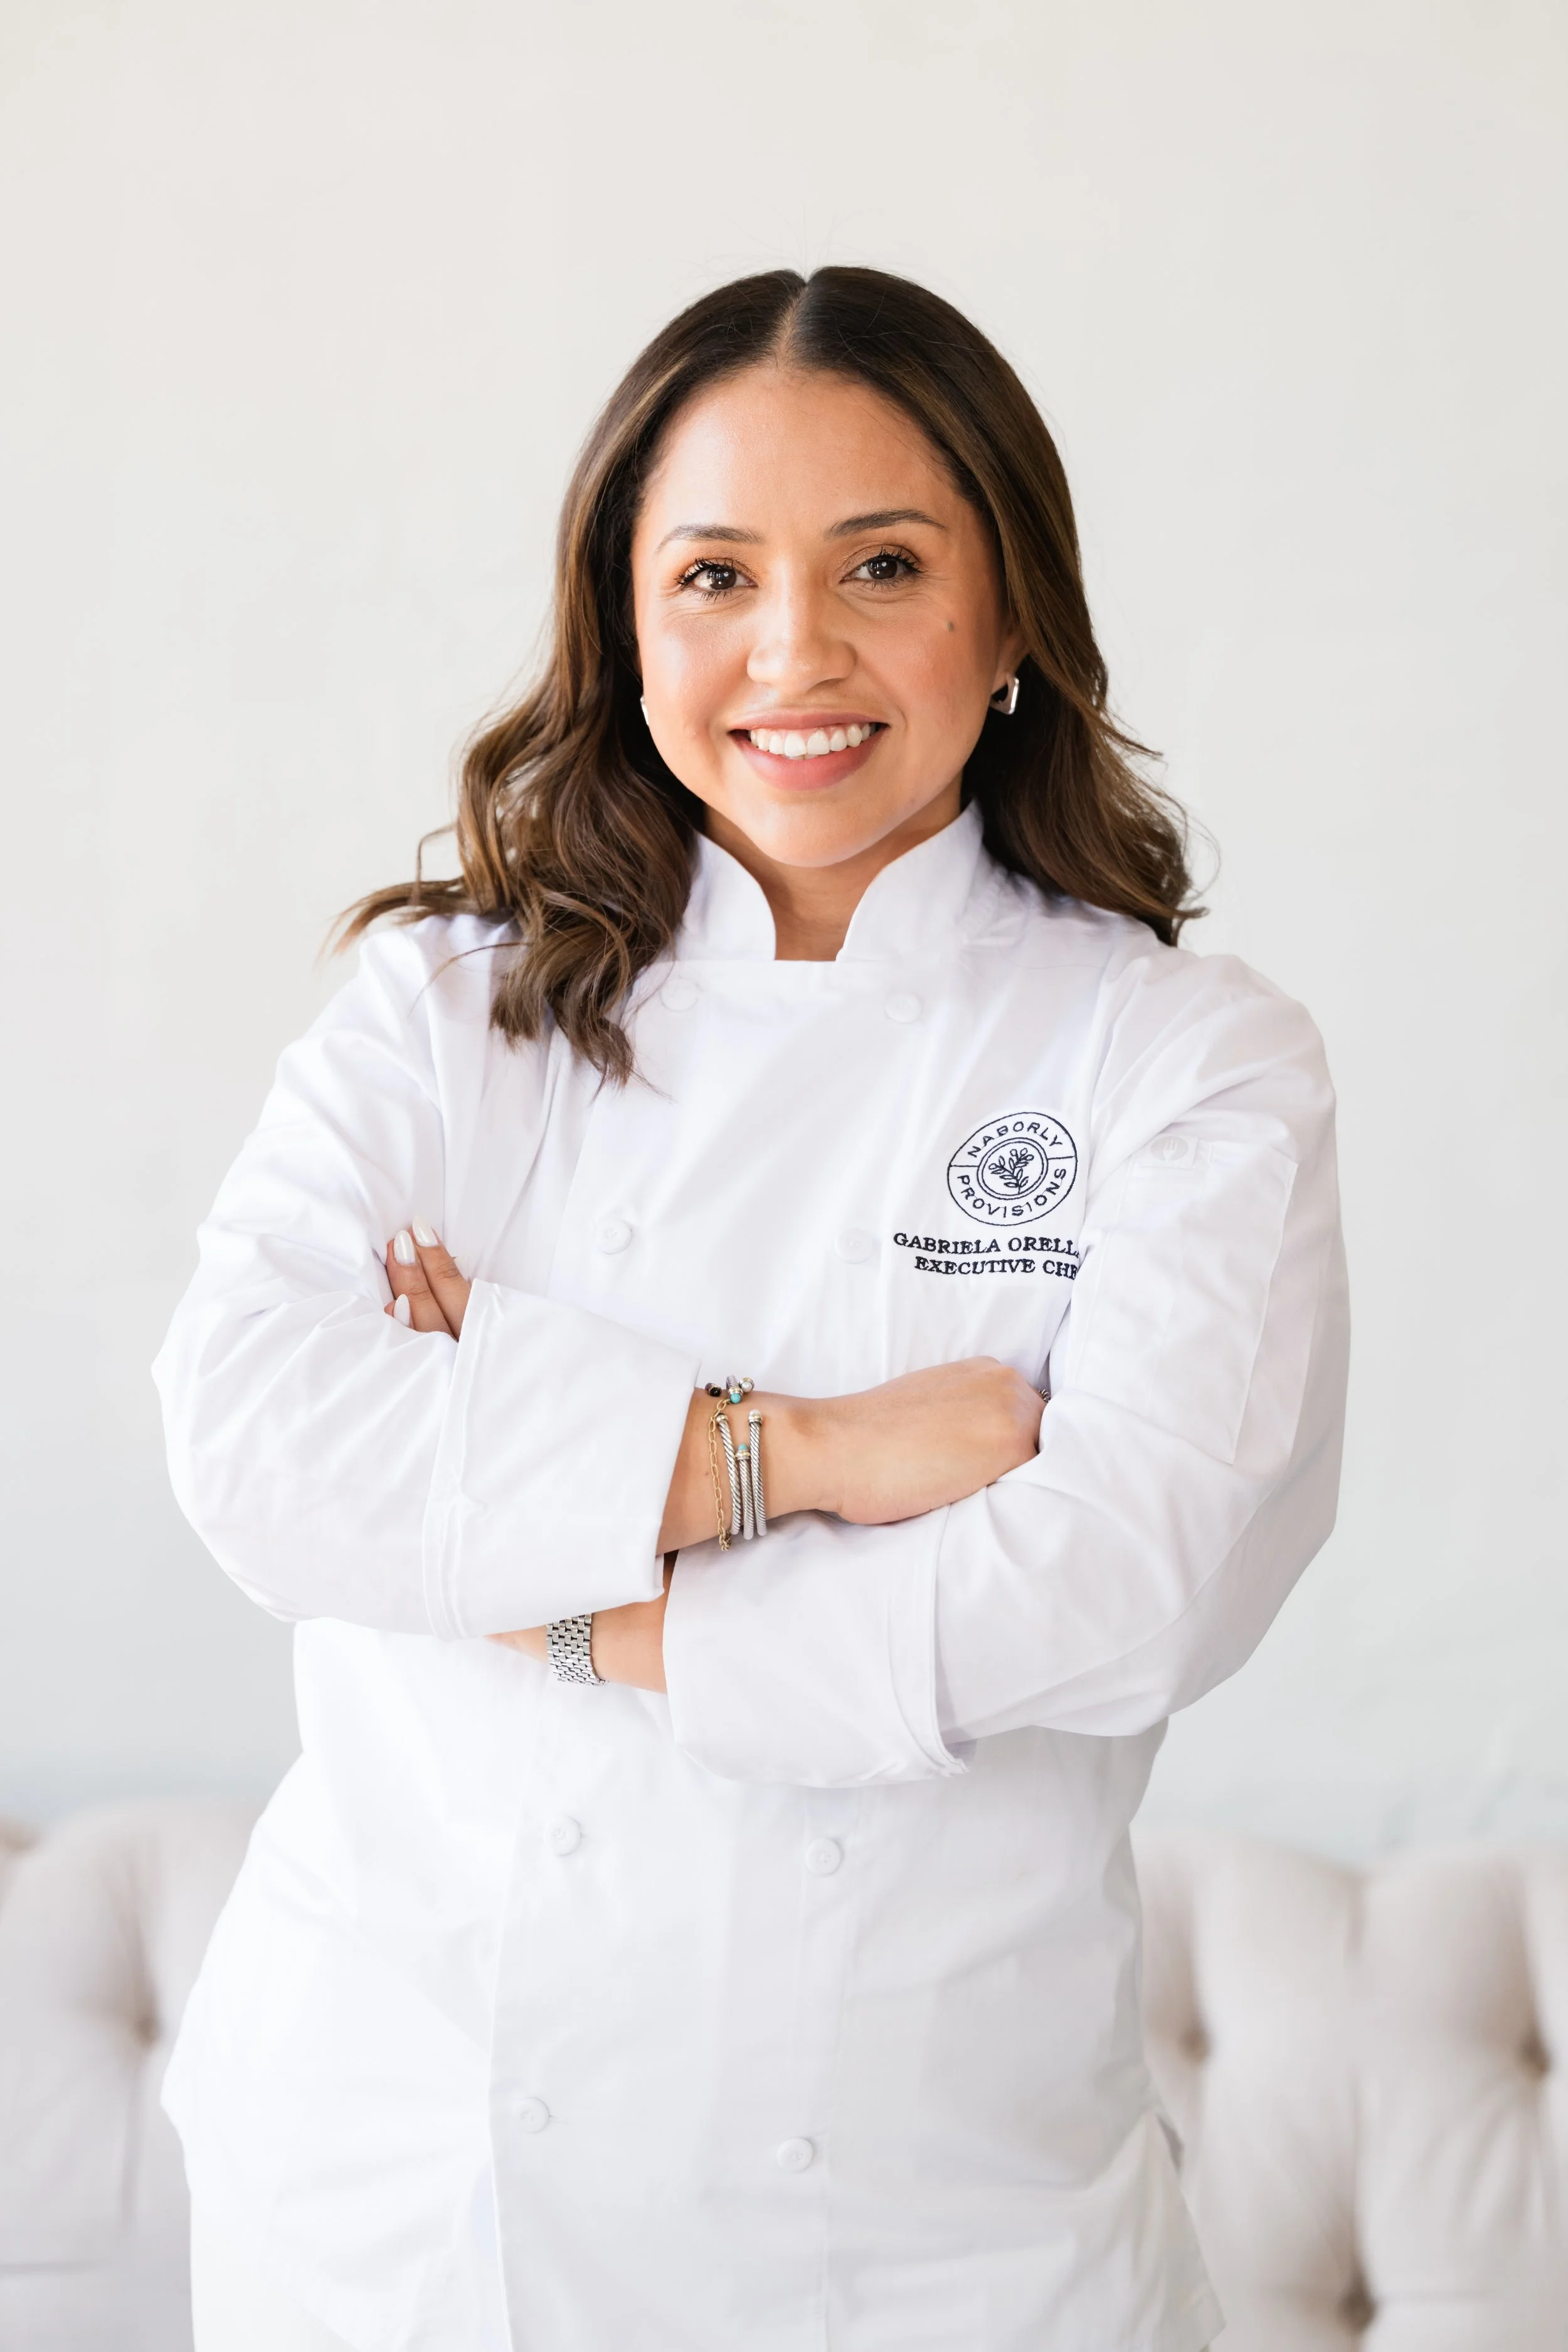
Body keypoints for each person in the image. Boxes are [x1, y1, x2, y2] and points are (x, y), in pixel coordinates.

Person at [156, 265, 1348, 2352]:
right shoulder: (447, 1010)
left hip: (935, 2222)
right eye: (713, 571)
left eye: (881, 564)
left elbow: (1131, 1582)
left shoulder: (1180, 1061)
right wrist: (812, 1453)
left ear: (1009, 620)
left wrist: (536, 1571)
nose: (794, 651)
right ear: (626, 627)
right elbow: (256, 1447)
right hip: (418, 2182)